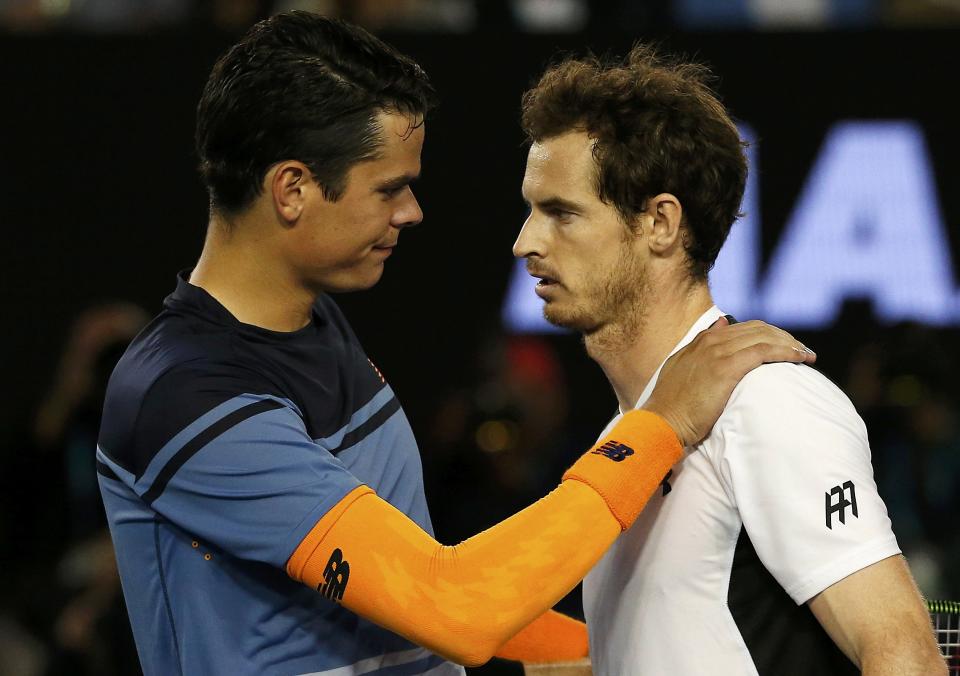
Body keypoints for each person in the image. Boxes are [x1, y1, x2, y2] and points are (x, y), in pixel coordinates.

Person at [95, 13, 815, 676]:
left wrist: (635, 655)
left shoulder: (313, 325)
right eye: (388, 189)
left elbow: (407, 608)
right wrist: (660, 425)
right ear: (292, 190)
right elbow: (455, 608)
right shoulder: (185, 397)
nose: (412, 211)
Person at [513, 45, 946, 675]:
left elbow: (905, 654)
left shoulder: (768, 402)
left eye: (561, 213)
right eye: (531, 210)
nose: (525, 242)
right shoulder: (620, 442)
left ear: (660, 223)